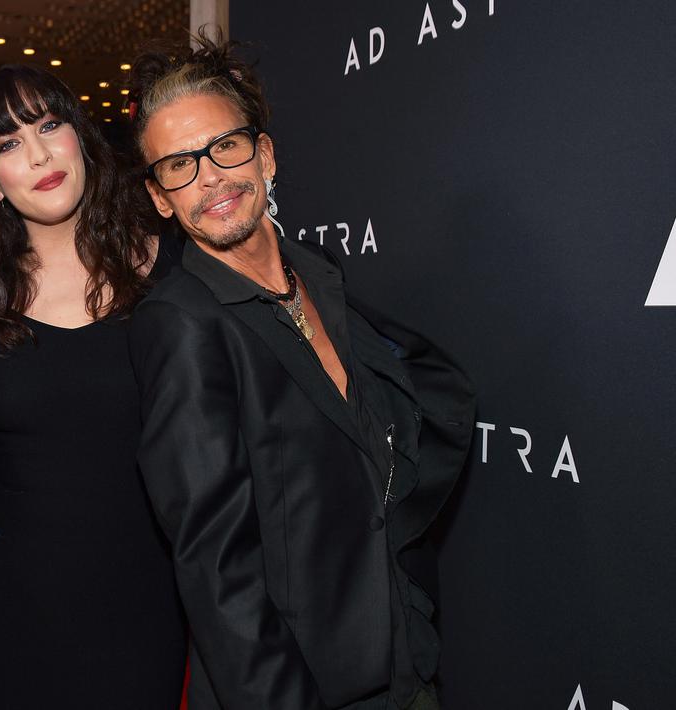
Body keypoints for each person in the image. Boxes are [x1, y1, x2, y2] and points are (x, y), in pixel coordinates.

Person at [125, 36, 476, 709]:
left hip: (398, 651)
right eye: (177, 165)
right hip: (298, 685)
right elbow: (217, 568)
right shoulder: (181, 322)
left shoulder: (316, 272)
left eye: (223, 147)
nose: (209, 178)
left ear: (264, 155)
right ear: (160, 197)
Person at [0, 65, 190, 706]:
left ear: (80, 136)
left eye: (50, 125)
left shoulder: (176, 269)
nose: (39, 153)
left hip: (147, 603)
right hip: (9, 613)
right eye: (6, 143)